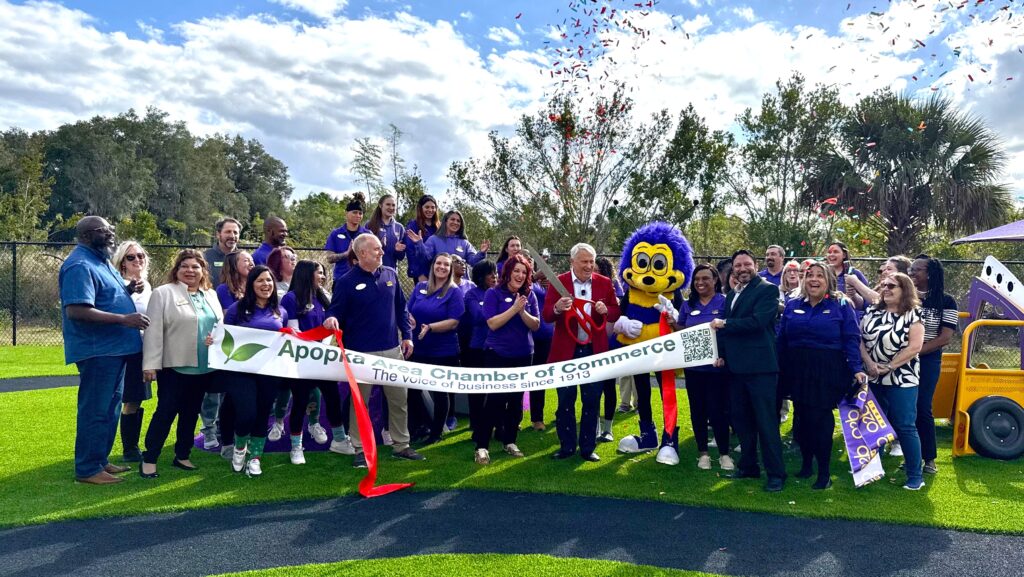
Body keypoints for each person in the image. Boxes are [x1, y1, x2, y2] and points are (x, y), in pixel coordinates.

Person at [59, 216, 149, 485]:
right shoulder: (79, 264)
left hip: (116, 348)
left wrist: (128, 289)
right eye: (103, 230)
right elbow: (77, 310)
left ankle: (99, 460)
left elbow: (106, 296)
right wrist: (125, 319)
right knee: (96, 409)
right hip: (98, 350)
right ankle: (87, 469)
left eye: (111, 230)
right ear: (86, 235)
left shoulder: (101, 261)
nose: (111, 234)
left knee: (110, 408)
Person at [325, 234, 424, 466]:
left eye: (381, 249)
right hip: (360, 355)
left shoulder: (390, 274)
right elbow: (334, 311)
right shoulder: (346, 282)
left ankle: (402, 445)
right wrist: (330, 319)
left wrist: (407, 337)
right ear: (361, 254)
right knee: (360, 404)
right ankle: (360, 449)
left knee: (399, 400)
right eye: (377, 249)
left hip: (392, 350)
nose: (382, 252)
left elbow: (402, 308)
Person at [777, 262, 866, 490]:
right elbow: (782, 338)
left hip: (827, 369)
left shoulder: (841, 304)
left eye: (820, 276)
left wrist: (856, 368)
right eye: (810, 275)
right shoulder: (793, 303)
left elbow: (851, 338)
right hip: (797, 368)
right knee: (802, 418)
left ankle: (824, 473)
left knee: (820, 419)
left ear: (829, 280)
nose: (814, 280)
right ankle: (806, 465)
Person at [139, 250, 223, 479]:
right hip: (174, 367)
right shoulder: (163, 293)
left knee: (191, 413)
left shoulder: (211, 295)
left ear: (203, 271)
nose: (190, 271)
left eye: (195, 267)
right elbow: (153, 330)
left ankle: (182, 454)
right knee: (166, 412)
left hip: (204, 367)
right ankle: (150, 458)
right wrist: (150, 364)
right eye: (184, 266)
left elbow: (219, 327)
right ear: (176, 270)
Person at [710, 250, 786, 492]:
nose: (742, 268)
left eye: (746, 264)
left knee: (766, 422)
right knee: (741, 421)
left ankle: (776, 474)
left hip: (760, 369)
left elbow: (758, 322)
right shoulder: (732, 294)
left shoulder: (767, 290)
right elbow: (725, 332)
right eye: (737, 265)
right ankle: (749, 467)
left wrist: (726, 324)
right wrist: (720, 354)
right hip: (736, 369)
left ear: (755, 265)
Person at [543, 243, 621, 462]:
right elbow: (547, 315)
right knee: (565, 400)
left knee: (592, 400)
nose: (589, 266)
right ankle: (566, 446)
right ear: (572, 262)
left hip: (593, 350)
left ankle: (587, 448)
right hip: (566, 351)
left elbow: (615, 311)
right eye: (584, 261)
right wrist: (558, 307)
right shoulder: (559, 282)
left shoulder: (604, 283)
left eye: (591, 261)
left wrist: (607, 310)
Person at [280, 260, 352, 464]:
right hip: (301, 362)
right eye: (319, 273)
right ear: (306, 274)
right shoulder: (290, 299)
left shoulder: (322, 296)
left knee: (333, 398)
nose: (322, 277)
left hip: (323, 360)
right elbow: (295, 333)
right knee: (301, 402)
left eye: (323, 273)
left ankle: (339, 440)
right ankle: (296, 447)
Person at [860, 272, 926, 490]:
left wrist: (889, 366)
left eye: (892, 286)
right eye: (884, 285)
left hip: (902, 378)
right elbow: (859, 339)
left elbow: (914, 347)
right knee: (874, 425)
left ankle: (915, 476)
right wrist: (869, 363)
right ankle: (871, 469)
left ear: (904, 290)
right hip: (873, 376)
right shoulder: (873, 310)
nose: (886, 288)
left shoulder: (913, 314)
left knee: (905, 426)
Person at [221, 266, 289, 476]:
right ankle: (240, 449)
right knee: (247, 413)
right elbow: (223, 335)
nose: (265, 285)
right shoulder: (237, 309)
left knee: (262, 414)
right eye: (260, 281)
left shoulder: (281, 312)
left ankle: (256, 458)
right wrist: (212, 340)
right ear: (251, 284)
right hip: (241, 372)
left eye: (269, 280)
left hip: (269, 372)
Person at [474, 254, 540, 464]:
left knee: (516, 401)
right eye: (517, 271)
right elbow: (492, 323)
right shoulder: (494, 293)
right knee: (494, 401)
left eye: (524, 272)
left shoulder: (529, 296)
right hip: (497, 354)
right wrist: (514, 309)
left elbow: (536, 324)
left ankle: (510, 441)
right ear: (508, 272)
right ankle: (482, 446)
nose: (520, 275)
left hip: (523, 354)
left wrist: (521, 312)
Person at [679, 264, 733, 471]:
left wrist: (724, 356)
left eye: (705, 279)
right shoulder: (687, 304)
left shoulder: (725, 302)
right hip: (693, 370)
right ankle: (703, 453)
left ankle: (724, 454)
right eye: (696, 279)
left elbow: (730, 332)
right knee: (698, 411)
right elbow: (682, 330)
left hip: (717, 369)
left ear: (716, 280)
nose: (700, 283)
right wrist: (670, 320)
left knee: (719, 412)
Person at [406, 253, 465, 445]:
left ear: (450, 269)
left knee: (441, 392)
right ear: (433, 266)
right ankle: (421, 426)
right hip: (418, 348)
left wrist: (430, 327)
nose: (441, 267)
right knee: (413, 390)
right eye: (438, 263)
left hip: (443, 350)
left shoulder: (454, 291)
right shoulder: (420, 287)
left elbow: (454, 321)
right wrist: (409, 319)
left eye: (446, 265)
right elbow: (407, 309)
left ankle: (436, 432)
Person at [909, 255, 957, 476]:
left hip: (928, 361)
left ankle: (929, 459)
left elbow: (944, 337)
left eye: (916, 270)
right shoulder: (907, 298)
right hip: (902, 360)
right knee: (905, 409)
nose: (911, 273)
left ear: (929, 273)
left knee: (922, 408)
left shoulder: (946, 301)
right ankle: (911, 457)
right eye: (910, 269)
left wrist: (914, 352)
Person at [207, 250, 253, 451]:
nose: (251, 263)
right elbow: (229, 317)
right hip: (233, 350)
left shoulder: (253, 287)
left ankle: (244, 436)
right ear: (234, 265)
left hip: (254, 352)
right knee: (231, 397)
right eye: (246, 260)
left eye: (252, 259)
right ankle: (225, 439)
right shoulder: (224, 290)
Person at [112, 241, 152, 462]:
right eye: (130, 257)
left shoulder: (146, 284)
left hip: (142, 348)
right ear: (122, 262)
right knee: (128, 398)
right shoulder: (117, 283)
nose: (137, 260)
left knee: (137, 398)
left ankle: (133, 446)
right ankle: (129, 449)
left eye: (140, 255)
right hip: (123, 350)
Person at [462, 260, 497, 432]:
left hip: (497, 348)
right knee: (477, 391)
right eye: (490, 273)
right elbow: (477, 317)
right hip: (477, 348)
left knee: (496, 391)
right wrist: (498, 311)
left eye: (495, 272)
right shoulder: (471, 294)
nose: (494, 276)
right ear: (480, 276)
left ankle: (498, 425)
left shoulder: (499, 292)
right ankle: (476, 427)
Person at [595, 256, 622, 442]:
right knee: (592, 389)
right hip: (592, 345)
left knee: (609, 387)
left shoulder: (613, 288)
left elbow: (617, 311)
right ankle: (594, 427)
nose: (592, 271)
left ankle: (608, 428)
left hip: (610, 346)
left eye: (596, 269)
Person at [530, 266, 555, 430]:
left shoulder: (543, 284)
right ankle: (514, 417)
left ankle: (537, 418)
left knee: (539, 379)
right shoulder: (526, 283)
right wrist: (532, 278)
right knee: (524, 379)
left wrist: (550, 286)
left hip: (548, 337)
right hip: (529, 337)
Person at [422, 210, 491, 269]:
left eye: (458, 221)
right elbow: (424, 259)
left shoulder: (464, 243)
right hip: (439, 281)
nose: (455, 223)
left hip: (460, 282)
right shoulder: (433, 240)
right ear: (445, 221)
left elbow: (473, 262)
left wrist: (482, 252)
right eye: (452, 219)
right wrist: (418, 244)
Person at [325, 193, 370, 281]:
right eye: (354, 212)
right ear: (346, 213)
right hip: (340, 279)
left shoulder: (367, 234)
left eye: (360, 213)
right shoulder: (335, 234)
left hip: (362, 278)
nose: (358, 215)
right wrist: (346, 254)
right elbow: (329, 258)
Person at [404, 195, 441, 282]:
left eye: (433, 207)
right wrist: (419, 273)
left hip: (438, 271)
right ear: (421, 208)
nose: (430, 210)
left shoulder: (439, 226)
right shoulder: (413, 225)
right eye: (427, 207)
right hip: (422, 273)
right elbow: (411, 251)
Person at [367, 194, 407, 270]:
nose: (391, 208)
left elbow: (401, 257)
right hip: (372, 271)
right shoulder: (370, 225)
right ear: (380, 205)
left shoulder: (399, 228)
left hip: (390, 272)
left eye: (393, 205)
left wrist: (398, 251)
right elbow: (364, 251)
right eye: (388, 204)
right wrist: (378, 246)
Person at [825, 242, 868, 312]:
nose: (831, 255)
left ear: (844, 255)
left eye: (835, 252)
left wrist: (853, 294)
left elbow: (866, 301)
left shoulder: (855, 274)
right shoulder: (822, 274)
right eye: (829, 252)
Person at [204, 217, 241, 283]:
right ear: (218, 234)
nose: (232, 236)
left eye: (235, 232)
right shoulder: (205, 257)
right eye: (228, 232)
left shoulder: (244, 258)